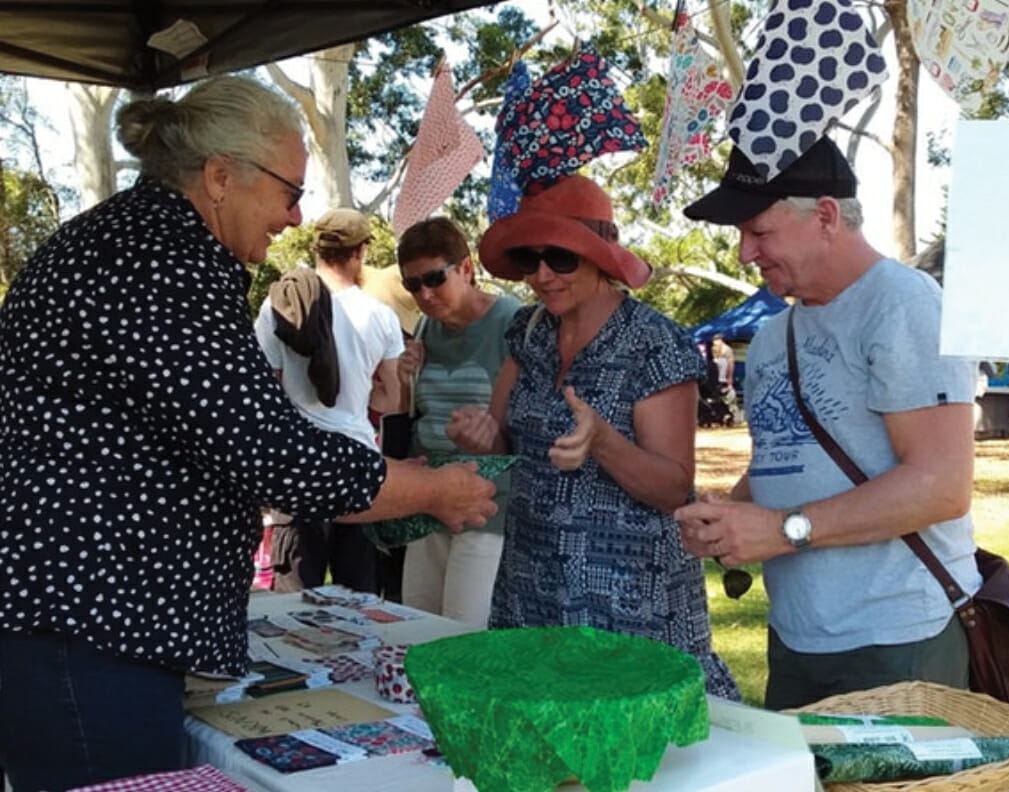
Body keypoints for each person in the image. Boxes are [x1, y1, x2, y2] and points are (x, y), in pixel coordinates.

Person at [0, 75, 496, 792]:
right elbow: (267, 453)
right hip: (88, 625)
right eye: (288, 191)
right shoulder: (164, 259)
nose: (294, 216)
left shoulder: (129, 240)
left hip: (76, 614)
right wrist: (431, 490)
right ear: (220, 175)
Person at [674, 137, 981, 709]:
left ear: (826, 216)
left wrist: (784, 530)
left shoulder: (904, 306)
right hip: (797, 635)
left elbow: (942, 486)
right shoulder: (771, 338)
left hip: (897, 637)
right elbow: (785, 462)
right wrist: (730, 517)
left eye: (759, 232)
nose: (744, 254)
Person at [447, 175, 739, 699]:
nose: (542, 275)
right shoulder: (527, 333)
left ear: (601, 258)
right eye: (528, 260)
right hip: (532, 583)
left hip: (629, 603)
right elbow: (504, 441)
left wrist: (603, 441)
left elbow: (674, 487)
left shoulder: (655, 344)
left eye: (561, 258)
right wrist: (479, 437)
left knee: (636, 763)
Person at [255, 208, 404, 594]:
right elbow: (391, 398)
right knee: (358, 596)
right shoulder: (381, 316)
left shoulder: (278, 306)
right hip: (356, 462)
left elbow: (266, 389)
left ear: (317, 249)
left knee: (294, 598)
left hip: (296, 465)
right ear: (361, 252)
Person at [394, 217, 521, 628]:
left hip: (486, 500)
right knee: (417, 627)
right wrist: (405, 378)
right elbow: (416, 415)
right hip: (428, 497)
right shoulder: (426, 327)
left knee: (461, 631)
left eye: (434, 278)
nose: (424, 294)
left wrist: (489, 434)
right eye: (412, 285)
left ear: (465, 268)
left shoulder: (511, 322)